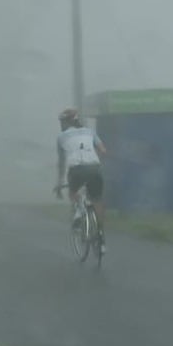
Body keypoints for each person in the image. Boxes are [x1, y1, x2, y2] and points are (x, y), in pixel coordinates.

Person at [54, 107, 107, 252]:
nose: (61, 124)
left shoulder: (61, 137)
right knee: (97, 200)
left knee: (73, 192)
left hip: (76, 170)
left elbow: (61, 163)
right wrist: (96, 162)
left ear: (69, 121)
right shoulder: (90, 132)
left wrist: (59, 183)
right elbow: (103, 150)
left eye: (63, 121)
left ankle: (78, 211)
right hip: (94, 168)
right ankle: (101, 239)